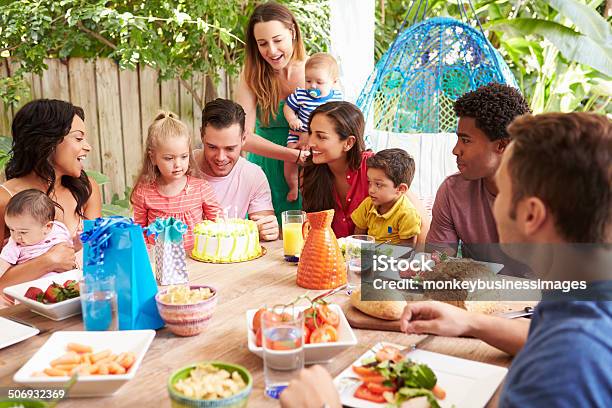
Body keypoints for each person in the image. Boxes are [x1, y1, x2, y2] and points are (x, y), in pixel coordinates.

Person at [281, 112, 612, 408]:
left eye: (503, 190)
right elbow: (545, 334)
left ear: (530, 214)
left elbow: (564, 352)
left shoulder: (568, 370)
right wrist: (471, 322)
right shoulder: (580, 299)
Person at [0, 99, 102, 290]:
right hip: (18, 313)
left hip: (77, 305)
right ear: (47, 142)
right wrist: (47, 261)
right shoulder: (4, 199)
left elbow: (96, 259)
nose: (87, 146)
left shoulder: (87, 190)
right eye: (78, 138)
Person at [426, 83, 531, 261]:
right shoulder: (452, 191)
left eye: (465, 141)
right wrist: (431, 262)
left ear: (501, 145)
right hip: (474, 287)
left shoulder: (546, 195)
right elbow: (438, 257)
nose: (455, 150)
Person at [301, 101, 430, 242]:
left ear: (348, 143)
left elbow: (422, 222)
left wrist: (416, 261)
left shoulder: (374, 167)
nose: (311, 142)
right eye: (310, 133)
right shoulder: (311, 172)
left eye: (321, 136)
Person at [236, 1, 311, 224]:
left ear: (293, 32)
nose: (272, 51)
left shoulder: (314, 71)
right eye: (262, 43)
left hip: (306, 172)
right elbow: (243, 137)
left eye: (278, 40)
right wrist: (290, 155)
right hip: (263, 169)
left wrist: (301, 156)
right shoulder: (251, 75)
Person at [130, 111, 221, 250]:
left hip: (197, 261)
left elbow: (217, 223)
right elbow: (139, 230)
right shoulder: (144, 192)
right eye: (169, 158)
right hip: (159, 264)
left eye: (184, 156)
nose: (178, 164)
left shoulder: (201, 188)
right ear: (153, 157)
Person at [194, 99, 279, 241]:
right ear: (202, 135)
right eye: (212, 147)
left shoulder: (253, 175)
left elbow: (264, 231)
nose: (221, 158)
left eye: (230, 148)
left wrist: (268, 230)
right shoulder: (180, 169)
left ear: (244, 138)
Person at [283, 53, 343, 202]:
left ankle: (317, 190)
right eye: (308, 80)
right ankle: (292, 185)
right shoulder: (301, 94)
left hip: (320, 138)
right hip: (299, 133)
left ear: (333, 82)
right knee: (290, 156)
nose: (313, 86)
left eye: (319, 82)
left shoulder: (337, 97)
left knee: (315, 166)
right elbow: (288, 107)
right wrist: (292, 119)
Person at [351, 149, 421, 245]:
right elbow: (358, 239)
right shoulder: (368, 204)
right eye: (369, 182)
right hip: (368, 255)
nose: (371, 190)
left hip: (394, 258)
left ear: (400, 188)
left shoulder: (407, 214)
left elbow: (406, 251)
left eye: (378, 184)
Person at [0, 189, 72, 279]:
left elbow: (70, 248)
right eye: (12, 230)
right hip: (32, 282)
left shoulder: (59, 230)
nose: (16, 236)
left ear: (47, 227)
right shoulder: (14, 244)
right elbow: (3, 265)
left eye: (23, 232)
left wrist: (77, 243)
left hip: (64, 279)